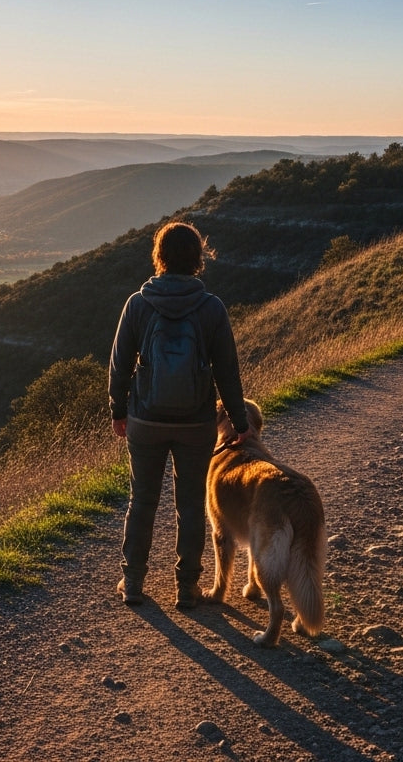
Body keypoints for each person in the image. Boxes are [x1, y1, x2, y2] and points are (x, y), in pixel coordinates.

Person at [109, 221, 252, 609]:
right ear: (197, 258)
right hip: (196, 423)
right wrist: (240, 423)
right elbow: (227, 372)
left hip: (145, 419)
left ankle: (133, 583)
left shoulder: (138, 304)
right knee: (189, 505)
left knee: (143, 501)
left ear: (159, 256)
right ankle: (186, 588)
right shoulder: (211, 308)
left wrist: (118, 411)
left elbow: (120, 364)